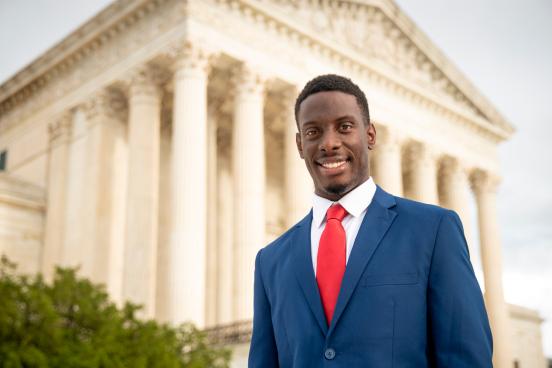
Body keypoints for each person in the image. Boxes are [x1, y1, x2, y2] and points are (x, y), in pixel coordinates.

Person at [248, 74, 492, 367]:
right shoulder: (270, 261)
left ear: (370, 135)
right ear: (300, 145)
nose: (329, 143)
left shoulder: (433, 230)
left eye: (345, 127)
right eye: (313, 132)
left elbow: (465, 357)